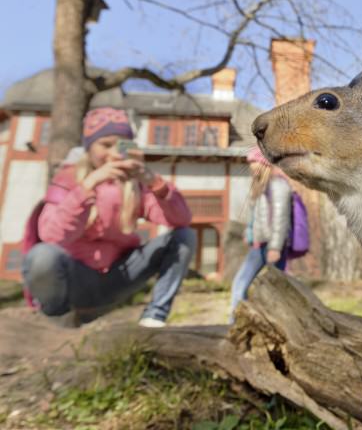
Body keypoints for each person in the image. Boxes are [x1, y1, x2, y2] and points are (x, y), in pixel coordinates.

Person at [22, 107, 195, 328]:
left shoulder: (135, 185)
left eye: (123, 145)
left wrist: (155, 183)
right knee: (42, 256)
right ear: (88, 147)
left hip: (119, 276)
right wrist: (88, 186)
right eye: (105, 145)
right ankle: (56, 318)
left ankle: (154, 317)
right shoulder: (67, 178)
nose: (114, 153)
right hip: (76, 278)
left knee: (184, 236)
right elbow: (52, 236)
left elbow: (181, 220)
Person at [229, 147, 292, 320]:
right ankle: (236, 322)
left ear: (264, 162)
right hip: (259, 245)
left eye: (253, 161)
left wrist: (275, 247)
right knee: (241, 283)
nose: (251, 166)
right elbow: (256, 217)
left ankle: (282, 322)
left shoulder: (278, 185)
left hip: (272, 246)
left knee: (276, 289)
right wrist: (249, 234)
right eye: (249, 162)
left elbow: (281, 218)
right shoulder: (260, 187)